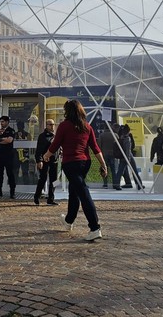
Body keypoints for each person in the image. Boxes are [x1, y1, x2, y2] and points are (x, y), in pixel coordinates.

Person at [43, 100, 108, 241]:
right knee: (74, 192)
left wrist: (46, 155)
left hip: (71, 164)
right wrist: (103, 165)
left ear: (68, 111)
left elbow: (56, 144)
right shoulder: (87, 127)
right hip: (85, 163)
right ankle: (68, 221)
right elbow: (95, 148)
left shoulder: (64, 126)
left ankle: (95, 227)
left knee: (83, 192)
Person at [34, 118, 58, 205]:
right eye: (50, 124)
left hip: (54, 161)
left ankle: (51, 199)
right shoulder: (43, 136)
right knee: (43, 179)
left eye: (53, 124)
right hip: (44, 161)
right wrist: (39, 160)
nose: (52, 126)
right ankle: (37, 197)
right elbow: (39, 150)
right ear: (46, 126)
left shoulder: (55, 136)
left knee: (54, 180)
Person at [0, 115, 16, 198]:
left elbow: (9, 140)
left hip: (8, 156)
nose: (1, 123)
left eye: (3, 121)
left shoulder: (11, 131)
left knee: (10, 174)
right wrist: (2, 140)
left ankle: (12, 192)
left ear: (7, 122)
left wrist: (0, 140)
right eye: (1, 121)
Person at [115, 124, 144, 190]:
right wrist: (128, 158)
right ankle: (139, 184)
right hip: (128, 156)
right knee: (134, 171)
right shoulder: (127, 139)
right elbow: (128, 149)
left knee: (120, 171)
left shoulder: (121, 137)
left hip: (122, 156)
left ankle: (116, 184)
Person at [97, 122, 118, 188]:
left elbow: (98, 145)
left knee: (104, 169)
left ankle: (105, 184)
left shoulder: (101, 135)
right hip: (113, 154)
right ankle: (115, 184)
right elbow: (118, 145)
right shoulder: (115, 135)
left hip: (104, 155)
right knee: (113, 170)